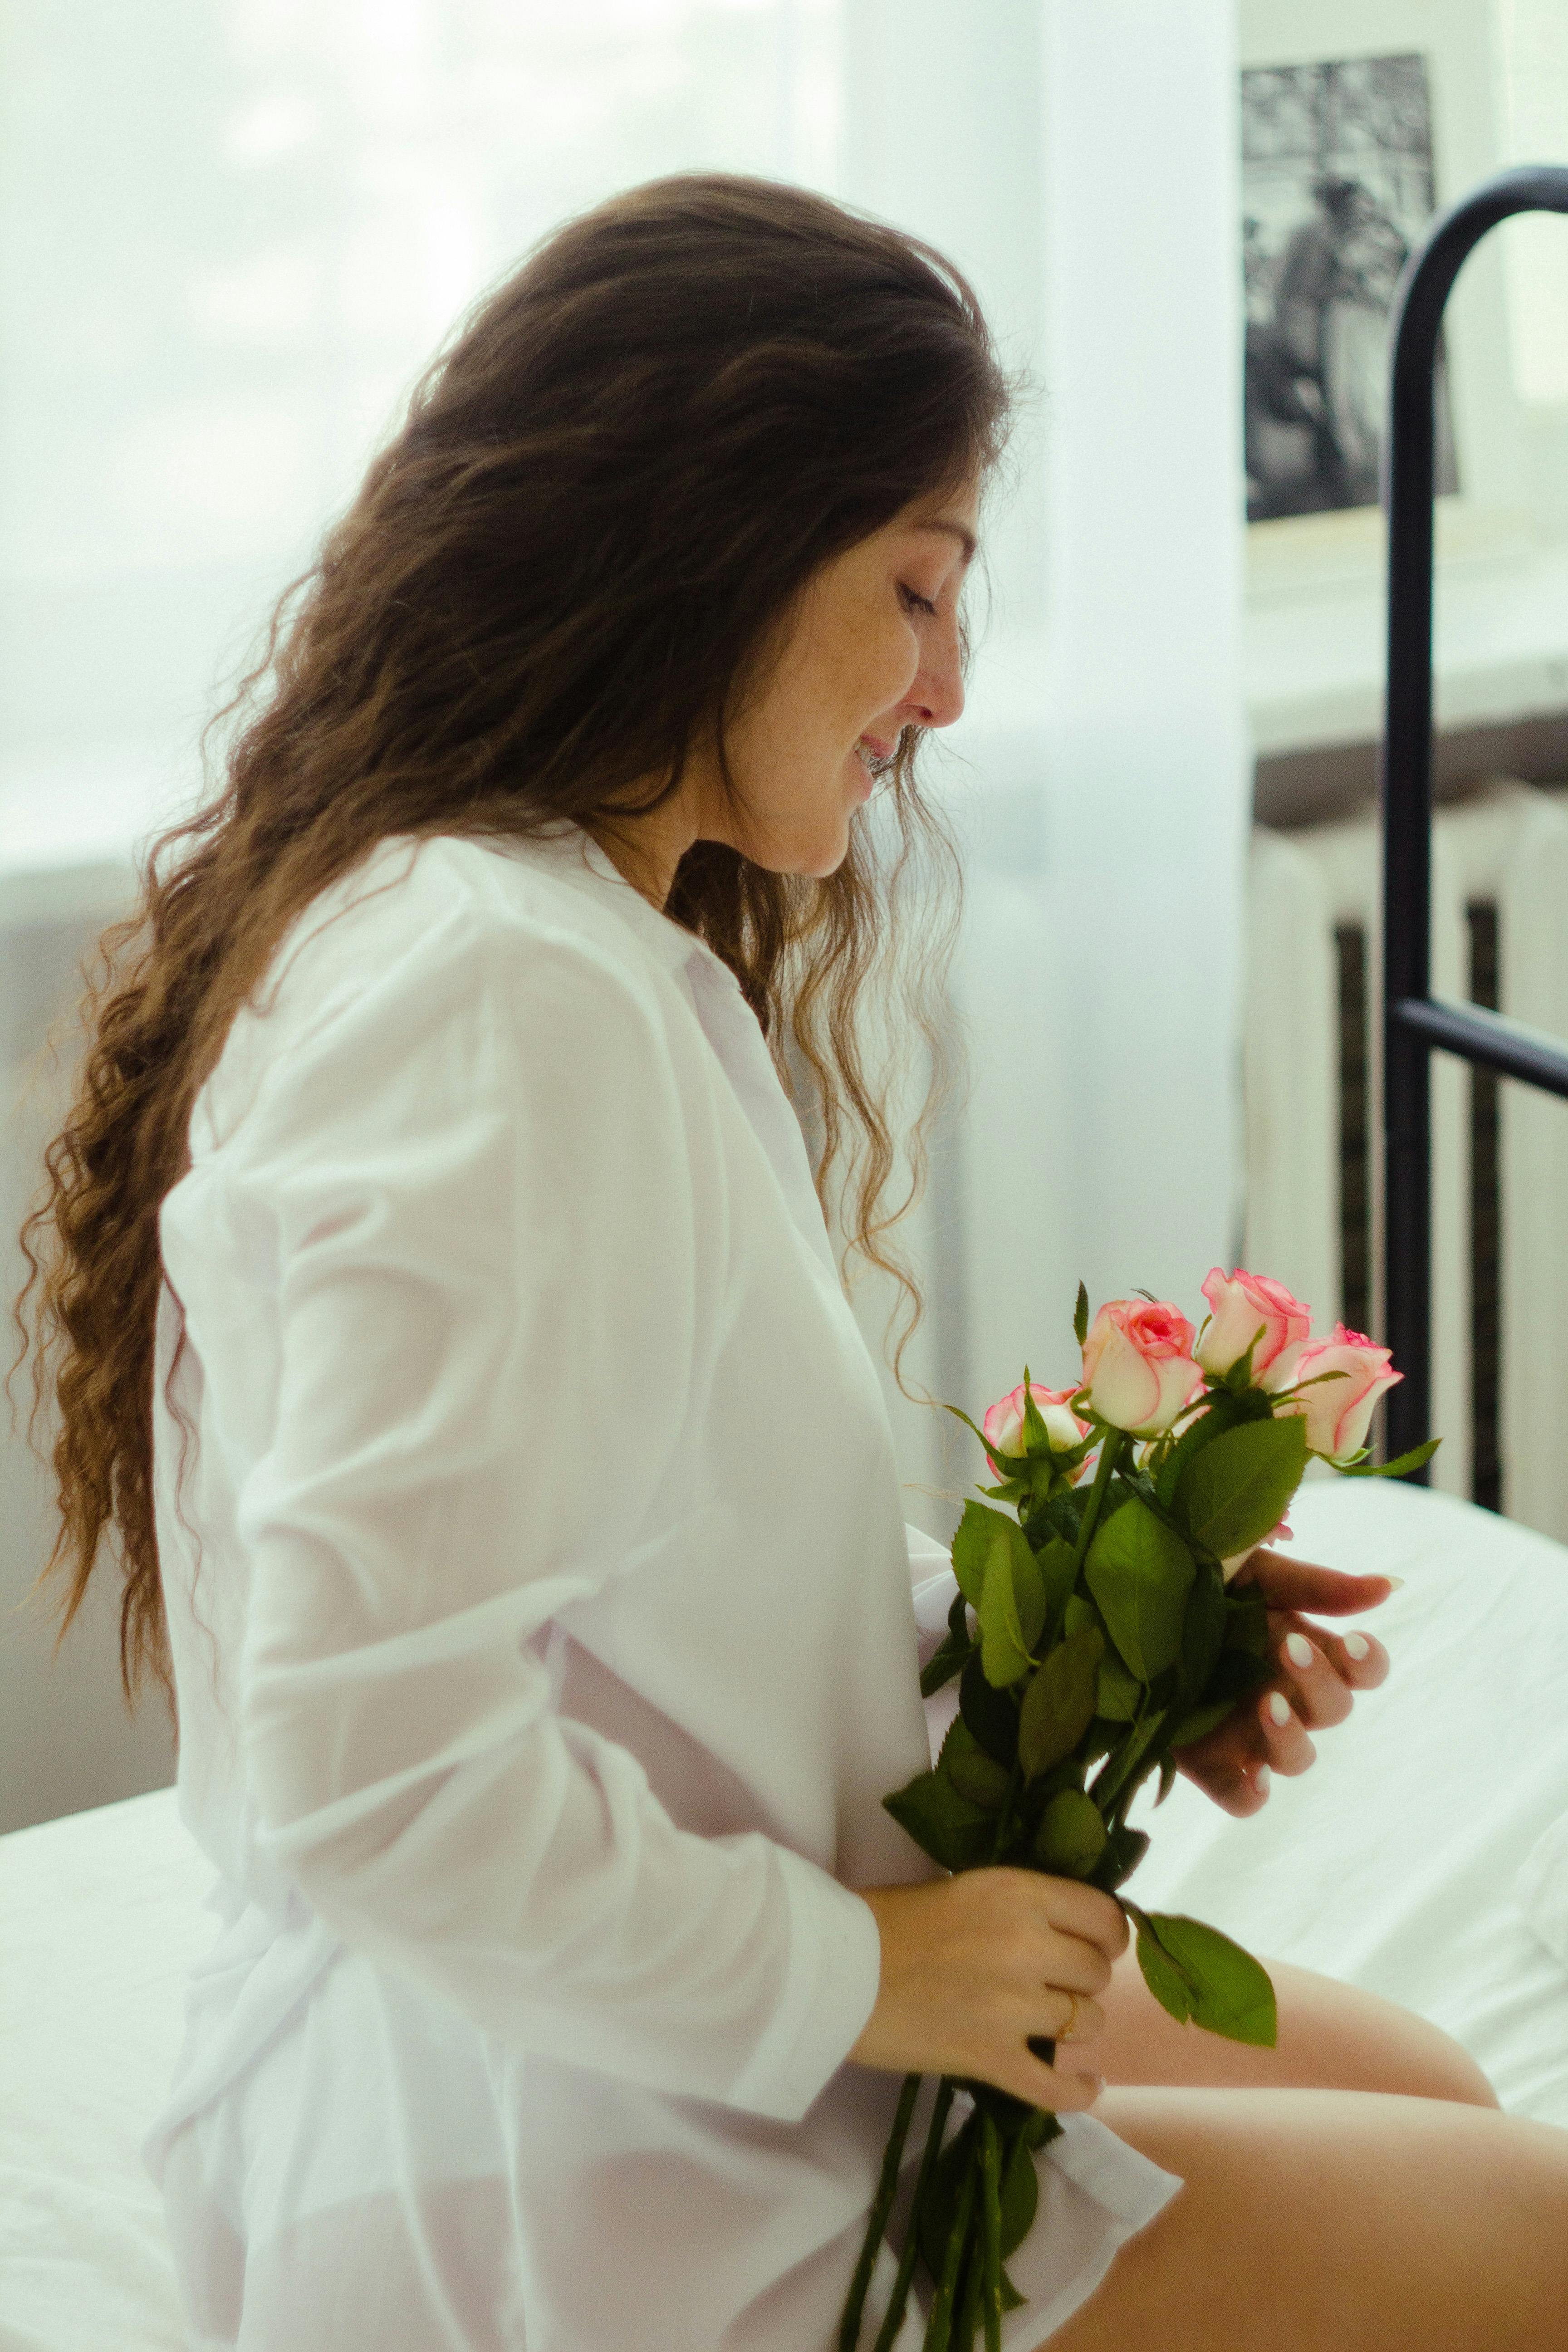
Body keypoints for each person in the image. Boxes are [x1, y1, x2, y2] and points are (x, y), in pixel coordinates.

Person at [15, 174, 1567, 2352]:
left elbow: (647, 1605)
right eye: (915, 591)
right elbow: (382, 1780)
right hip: (546, 2173)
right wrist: (877, 1976)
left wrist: (1112, 1657)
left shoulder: (563, 941)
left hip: (606, 2047)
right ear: (713, 548)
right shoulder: (493, 992)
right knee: (1535, 2237)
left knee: (1440, 2095)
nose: (946, 687)